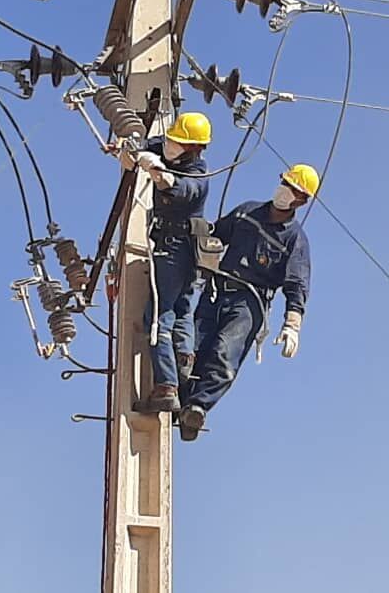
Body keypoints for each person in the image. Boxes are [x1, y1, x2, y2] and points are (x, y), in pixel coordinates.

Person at [178, 163, 318, 441]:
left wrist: (292, 324)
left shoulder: (295, 240)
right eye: (285, 183)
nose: (285, 190)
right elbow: (216, 234)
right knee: (190, 348)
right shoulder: (247, 212)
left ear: (301, 200)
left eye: (293, 189)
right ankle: (178, 400)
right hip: (217, 290)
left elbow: (297, 284)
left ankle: (197, 407)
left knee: (223, 353)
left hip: (249, 302)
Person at [119, 112, 212, 413]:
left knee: (159, 315)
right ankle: (184, 358)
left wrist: (157, 172)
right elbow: (145, 148)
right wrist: (129, 153)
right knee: (183, 309)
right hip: (191, 250)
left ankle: (166, 386)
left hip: (175, 250)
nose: (169, 144)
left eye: (177, 142)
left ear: (192, 149)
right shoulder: (166, 147)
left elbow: (175, 187)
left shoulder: (198, 175)